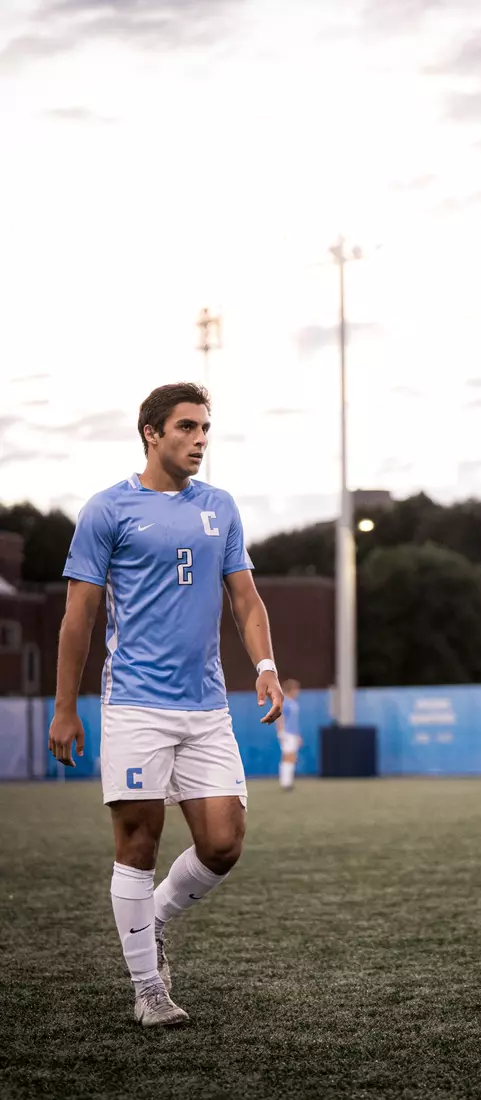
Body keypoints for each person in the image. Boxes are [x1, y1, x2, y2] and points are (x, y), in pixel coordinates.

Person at [48, 382, 284, 1028]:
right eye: (186, 428)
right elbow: (79, 618)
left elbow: (246, 599)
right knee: (138, 841)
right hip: (135, 707)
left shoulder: (221, 508)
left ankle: (150, 918)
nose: (200, 440)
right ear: (151, 432)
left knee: (224, 843)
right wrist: (65, 706)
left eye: (206, 428)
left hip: (206, 707)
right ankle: (149, 991)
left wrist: (264, 666)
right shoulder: (107, 511)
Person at [276, 679, 303, 791]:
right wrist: (281, 732)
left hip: (293, 733)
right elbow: (279, 716)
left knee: (292, 757)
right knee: (288, 756)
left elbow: (294, 721)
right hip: (287, 733)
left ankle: (288, 781)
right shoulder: (284, 701)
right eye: (296, 690)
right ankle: (285, 782)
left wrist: (297, 735)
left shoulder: (293, 702)